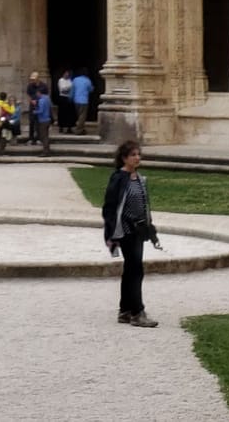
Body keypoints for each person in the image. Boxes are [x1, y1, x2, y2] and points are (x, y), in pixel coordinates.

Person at [102, 139, 161, 328]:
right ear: (124, 158)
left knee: (131, 270)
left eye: (138, 154)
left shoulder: (140, 178)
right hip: (126, 231)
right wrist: (113, 230)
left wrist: (149, 228)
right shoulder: (119, 178)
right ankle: (137, 312)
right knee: (136, 270)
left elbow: (143, 206)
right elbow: (111, 207)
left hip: (139, 231)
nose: (137, 158)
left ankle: (125, 310)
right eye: (133, 155)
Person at [71, 68, 94, 135]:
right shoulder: (87, 80)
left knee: (79, 115)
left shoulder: (75, 80)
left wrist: (71, 97)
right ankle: (78, 130)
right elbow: (90, 90)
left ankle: (81, 129)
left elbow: (72, 89)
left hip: (76, 100)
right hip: (84, 100)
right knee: (82, 116)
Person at [25, 71, 46, 144]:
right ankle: (31, 138)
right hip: (32, 105)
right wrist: (31, 101)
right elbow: (28, 95)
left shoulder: (43, 86)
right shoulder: (30, 86)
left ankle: (38, 138)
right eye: (32, 79)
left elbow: (46, 96)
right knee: (32, 122)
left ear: (38, 78)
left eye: (34, 79)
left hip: (40, 105)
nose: (32, 80)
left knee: (39, 122)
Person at [32, 89, 53, 154]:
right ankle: (47, 149)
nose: (36, 95)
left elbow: (41, 111)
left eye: (37, 94)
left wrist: (34, 110)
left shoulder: (41, 101)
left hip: (43, 120)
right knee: (46, 135)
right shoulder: (47, 99)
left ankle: (46, 151)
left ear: (39, 93)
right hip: (47, 119)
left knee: (43, 136)